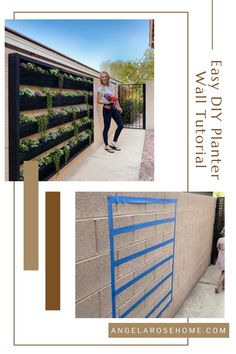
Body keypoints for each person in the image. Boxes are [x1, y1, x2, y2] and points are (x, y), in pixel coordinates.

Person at [97, 71, 124, 153]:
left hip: (114, 107)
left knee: (121, 125)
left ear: (108, 77)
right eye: (102, 77)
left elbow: (115, 98)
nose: (104, 78)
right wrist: (106, 102)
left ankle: (114, 143)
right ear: (101, 78)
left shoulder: (112, 86)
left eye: (105, 76)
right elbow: (98, 100)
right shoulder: (100, 88)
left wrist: (118, 106)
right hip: (106, 109)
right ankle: (106, 145)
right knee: (106, 127)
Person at [215, 227, 225, 293]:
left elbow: (218, 249)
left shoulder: (220, 239)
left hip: (221, 256)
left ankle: (223, 286)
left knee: (223, 271)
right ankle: (217, 286)